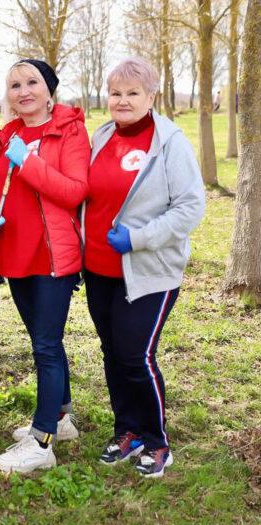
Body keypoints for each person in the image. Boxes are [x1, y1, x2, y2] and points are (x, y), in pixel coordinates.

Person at [85, 57, 205, 477]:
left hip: (149, 270)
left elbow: (191, 207)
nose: (122, 100)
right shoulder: (100, 136)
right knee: (113, 353)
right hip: (98, 269)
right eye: (115, 93)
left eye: (132, 93)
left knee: (136, 355)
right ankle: (127, 431)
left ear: (150, 96)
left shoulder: (169, 142)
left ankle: (156, 441)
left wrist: (138, 238)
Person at [0, 59, 90, 473]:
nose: (23, 91)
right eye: (14, 85)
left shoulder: (69, 130)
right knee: (44, 341)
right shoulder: (6, 135)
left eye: (31, 83)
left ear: (49, 90)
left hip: (53, 256)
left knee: (45, 345)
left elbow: (75, 190)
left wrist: (30, 162)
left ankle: (41, 441)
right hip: (17, 254)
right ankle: (60, 420)